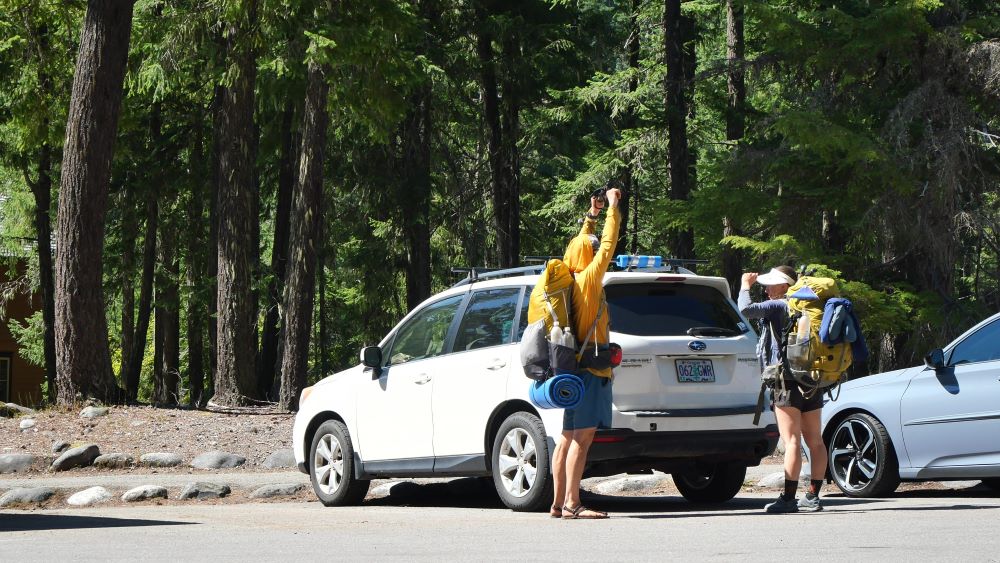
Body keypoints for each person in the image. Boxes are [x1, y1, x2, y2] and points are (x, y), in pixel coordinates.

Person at [550, 187, 621, 520]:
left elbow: (584, 242)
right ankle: (572, 503)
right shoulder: (591, 279)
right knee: (583, 436)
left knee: (566, 436)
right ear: (588, 257)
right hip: (592, 370)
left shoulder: (570, 278)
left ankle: (556, 502)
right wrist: (612, 207)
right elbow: (607, 245)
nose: (595, 252)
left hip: (571, 369)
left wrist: (589, 217)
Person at [739, 266, 828, 513]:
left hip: (785, 382)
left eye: (771, 285)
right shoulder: (811, 306)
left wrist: (746, 285)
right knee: (815, 441)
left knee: (791, 441)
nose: (767, 290)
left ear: (785, 286)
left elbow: (745, 309)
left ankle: (788, 499)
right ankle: (812, 496)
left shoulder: (780, 305)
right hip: (812, 380)